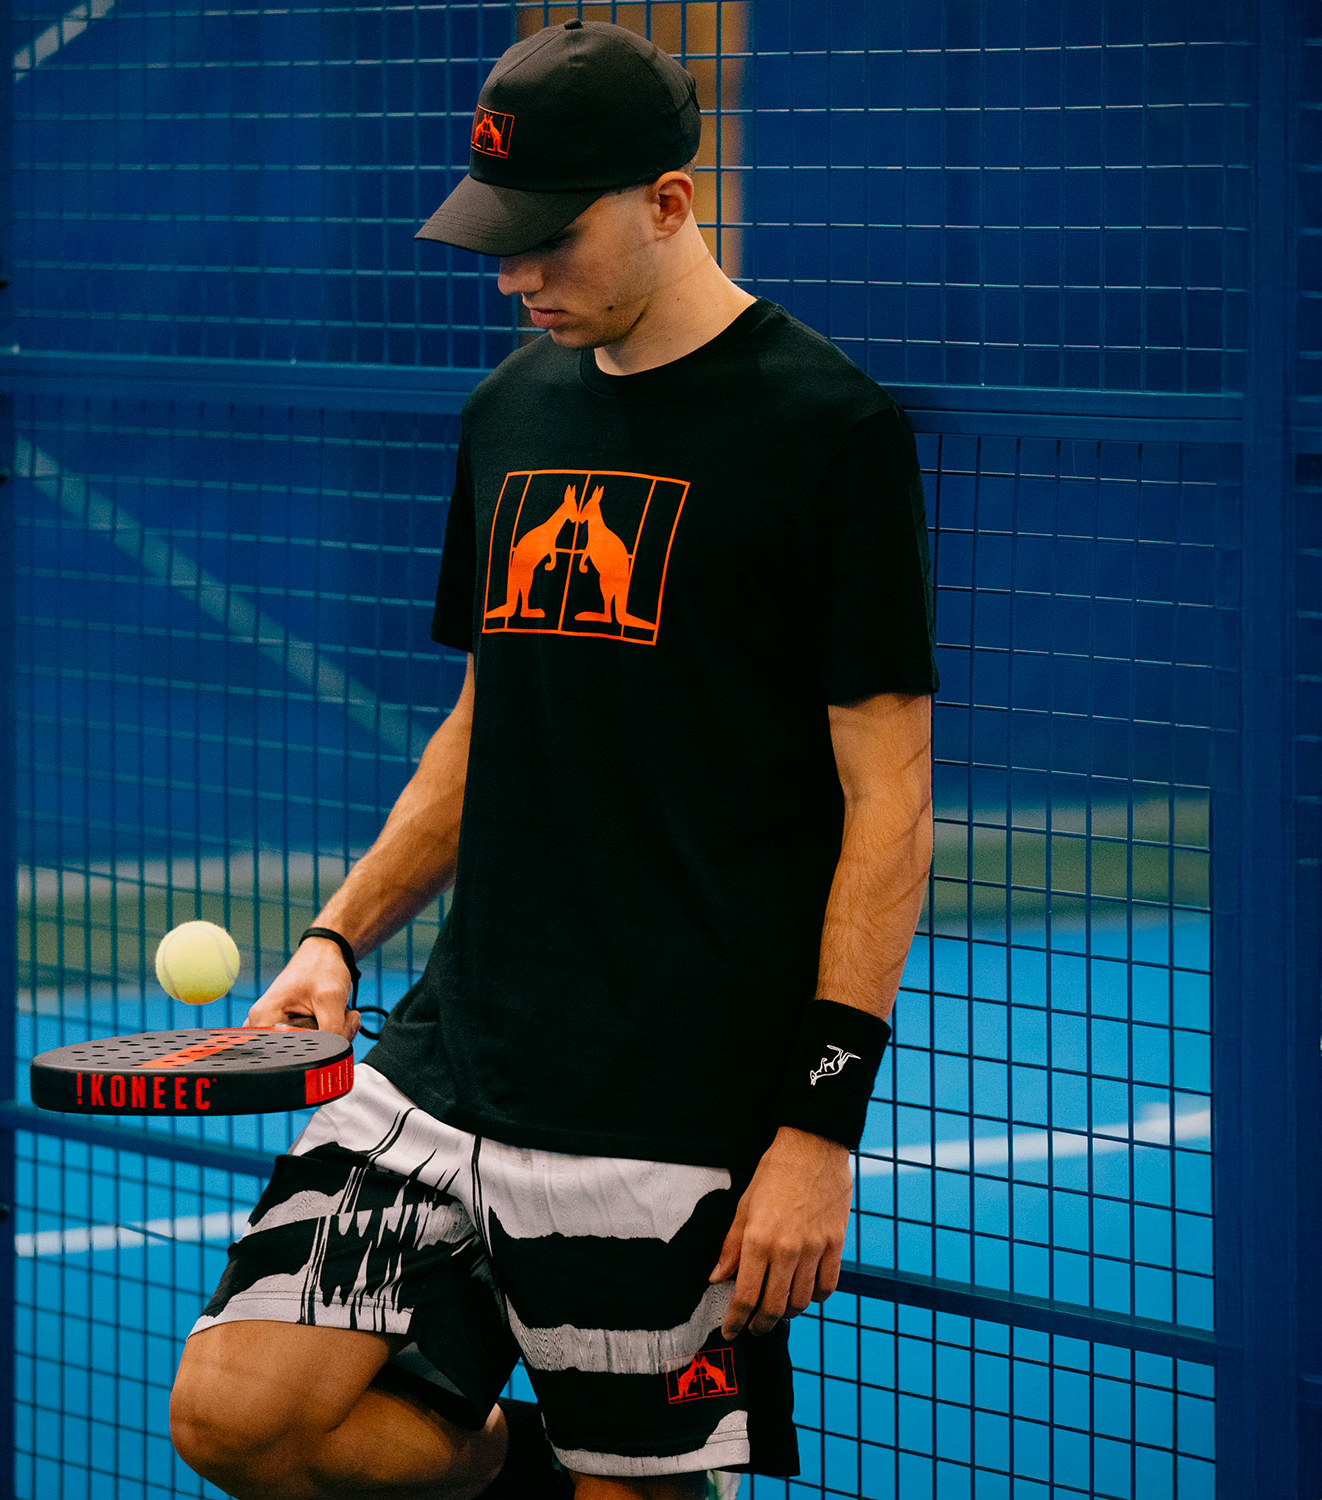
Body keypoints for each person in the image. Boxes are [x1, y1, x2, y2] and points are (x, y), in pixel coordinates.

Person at [169, 19, 937, 1500]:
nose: (516, 274)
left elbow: (890, 802)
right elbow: (486, 720)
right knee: (239, 1416)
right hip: (453, 1057)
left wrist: (817, 1127)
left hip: (673, 1098)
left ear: (668, 199)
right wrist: (339, 935)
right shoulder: (508, 410)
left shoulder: (829, 431)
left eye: (548, 238)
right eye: (498, 240)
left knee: (635, 1487)